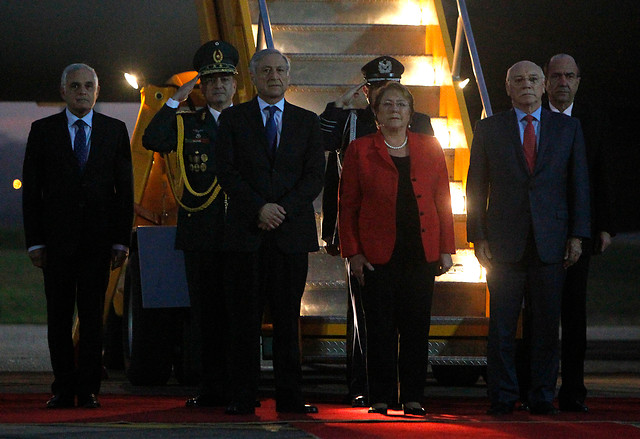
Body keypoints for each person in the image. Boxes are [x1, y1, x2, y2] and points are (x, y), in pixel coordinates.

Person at [466, 60, 590, 415]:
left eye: (533, 79)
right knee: (502, 326)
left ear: (544, 86)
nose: (527, 85)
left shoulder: (568, 128)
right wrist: (478, 236)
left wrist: (578, 235)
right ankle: (503, 396)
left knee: (547, 327)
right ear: (507, 88)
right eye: (518, 80)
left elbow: (578, 185)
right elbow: (476, 187)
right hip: (503, 243)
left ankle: (540, 395)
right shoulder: (489, 129)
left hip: (552, 241)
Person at [319, 56, 434, 407]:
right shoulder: (350, 120)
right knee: (364, 320)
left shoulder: (420, 123)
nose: (387, 95)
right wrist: (338, 105)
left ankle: (408, 392)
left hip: (410, 239)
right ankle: (363, 386)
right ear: (366, 91)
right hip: (360, 235)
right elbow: (322, 146)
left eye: (393, 86)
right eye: (378, 88)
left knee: (409, 322)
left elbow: (429, 181)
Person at [216, 48, 325, 415]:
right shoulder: (232, 119)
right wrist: (259, 208)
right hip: (246, 235)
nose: (274, 76)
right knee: (244, 320)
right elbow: (226, 172)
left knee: (286, 320)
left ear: (288, 76)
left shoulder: (307, 122)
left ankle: (291, 397)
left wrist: (281, 210)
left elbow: (314, 177)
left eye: (280, 70)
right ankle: (243, 396)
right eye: (266, 70)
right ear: (253, 77)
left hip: (290, 236)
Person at [338, 82, 455, 416]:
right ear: (375, 113)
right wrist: (353, 253)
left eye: (400, 104)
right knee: (379, 329)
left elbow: (443, 201)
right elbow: (348, 206)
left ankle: (413, 397)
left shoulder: (431, 147)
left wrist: (447, 247)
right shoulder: (360, 150)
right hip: (376, 256)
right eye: (386, 104)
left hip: (421, 253)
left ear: (410, 112)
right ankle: (380, 397)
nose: (394, 110)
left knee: (417, 328)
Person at [22, 63, 134, 409]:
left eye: (88, 86)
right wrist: (35, 241)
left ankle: (88, 390)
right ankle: (62, 388)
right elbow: (32, 191)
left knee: (91, 319)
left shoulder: (114, 131)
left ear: (97, 92)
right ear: (63, 92)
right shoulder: (43, 130)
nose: (82, 91)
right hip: (56, 244)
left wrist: (120, 241)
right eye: (75, 86)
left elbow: (124, 191)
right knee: (57, 318)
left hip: (98, 244)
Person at [142, 40, 239, 408]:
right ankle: (211, 388)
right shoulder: (186, 123)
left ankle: (241, 387)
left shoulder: (248, 120)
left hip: (241, 235)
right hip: (201, 234)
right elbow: (153, 138)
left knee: (240, 315)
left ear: (234, 85)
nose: (217, 86)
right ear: (201, 87)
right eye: (210, 80)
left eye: (224, 80)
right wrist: (173, 101)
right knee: (207, 317)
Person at [545, 54, 615, 412]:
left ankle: (573, 391)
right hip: (538, 231)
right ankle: (534, 389)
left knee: (574, 315)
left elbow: (600, 173)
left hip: (579, 229)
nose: (563, 82)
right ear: (545, 80)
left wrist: (602, 225)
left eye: (569, 76)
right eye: (556, 76)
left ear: (578, 81)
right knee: (539, 315)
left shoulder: (591, 120)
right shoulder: (531, 118)